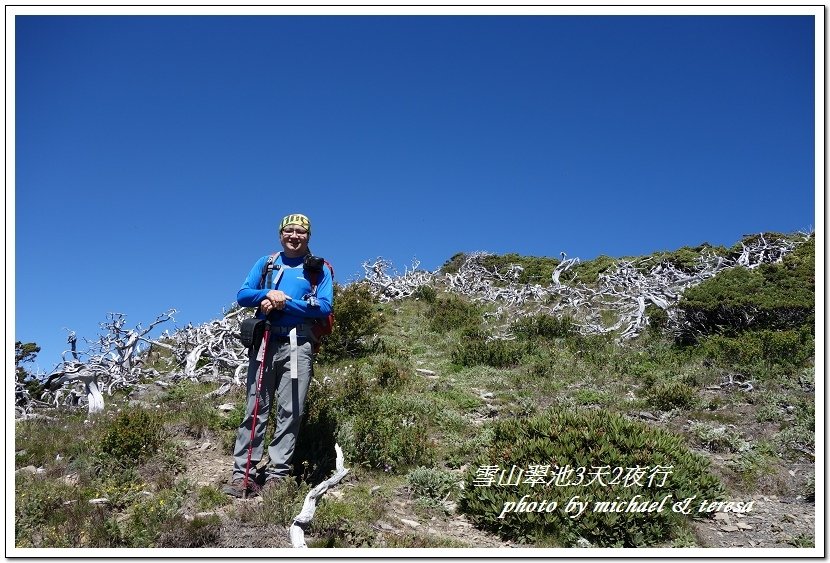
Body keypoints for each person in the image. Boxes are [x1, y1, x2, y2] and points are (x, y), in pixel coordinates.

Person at [224, 213, 334, 498]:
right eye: (289, 231)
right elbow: (243, 295)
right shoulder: (267, 263)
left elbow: (323, 307)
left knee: (291, 410)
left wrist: (286, 303)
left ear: (308, 237)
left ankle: (277, 474)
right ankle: (242, 474)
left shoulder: (318, 269)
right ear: (280, 234)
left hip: (299, 345)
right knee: (256, 407)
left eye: (300, 232)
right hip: (265, 343)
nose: (294, 236)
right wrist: (269, 293)